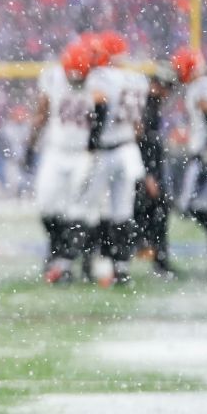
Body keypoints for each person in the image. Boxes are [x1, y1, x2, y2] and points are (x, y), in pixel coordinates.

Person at [26, 40, 95, 284]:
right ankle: (57, 250)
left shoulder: (98, 81)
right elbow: (42, 111)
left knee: (78, 211)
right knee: (47, 207)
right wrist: (30, 145)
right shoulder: (53, 77)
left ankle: (69, 262)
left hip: (84, 153)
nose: (76, 81)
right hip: (56, 150)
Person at [83, 32, 149, 286]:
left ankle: (89, 263)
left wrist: (93, 141)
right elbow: (138, 125)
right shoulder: (137, 79)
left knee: (91, 209)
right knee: (122, 212)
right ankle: (121, 269)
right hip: (128, 149)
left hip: (108, 149)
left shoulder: (101, 77)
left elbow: (100, 106)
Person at [171, 46, 207, 270]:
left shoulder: (203, 86)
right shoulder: (206, 84)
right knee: (197, 206)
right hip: (206, 152)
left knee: (193, 205)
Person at [133, 64, 180, 278]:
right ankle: (157, 261)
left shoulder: (151, 105)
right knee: (154, 215)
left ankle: (157, 259)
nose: (168, 91)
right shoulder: (146, 106)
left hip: (147, 167)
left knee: (153, 215)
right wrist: (149, 175)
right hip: (144, 168)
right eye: (166, 86)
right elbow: (143, 144)